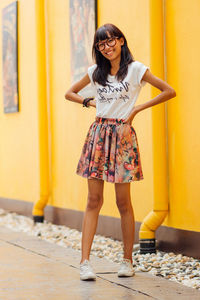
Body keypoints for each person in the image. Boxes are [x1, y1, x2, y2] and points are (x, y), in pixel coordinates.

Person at [65, 23, 176, 281]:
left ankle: (127, 261)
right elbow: (69, 93)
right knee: (94, 200)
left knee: (123, 202)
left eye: (111, 41)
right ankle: (85, 263)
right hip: (99, 135)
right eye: (101, 44)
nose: (107, 47)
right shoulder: (95, 73)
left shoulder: (137, 70)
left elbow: (169, 91)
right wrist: (88, 101)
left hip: (123, 136)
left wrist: (136, 110)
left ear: (121, 41)